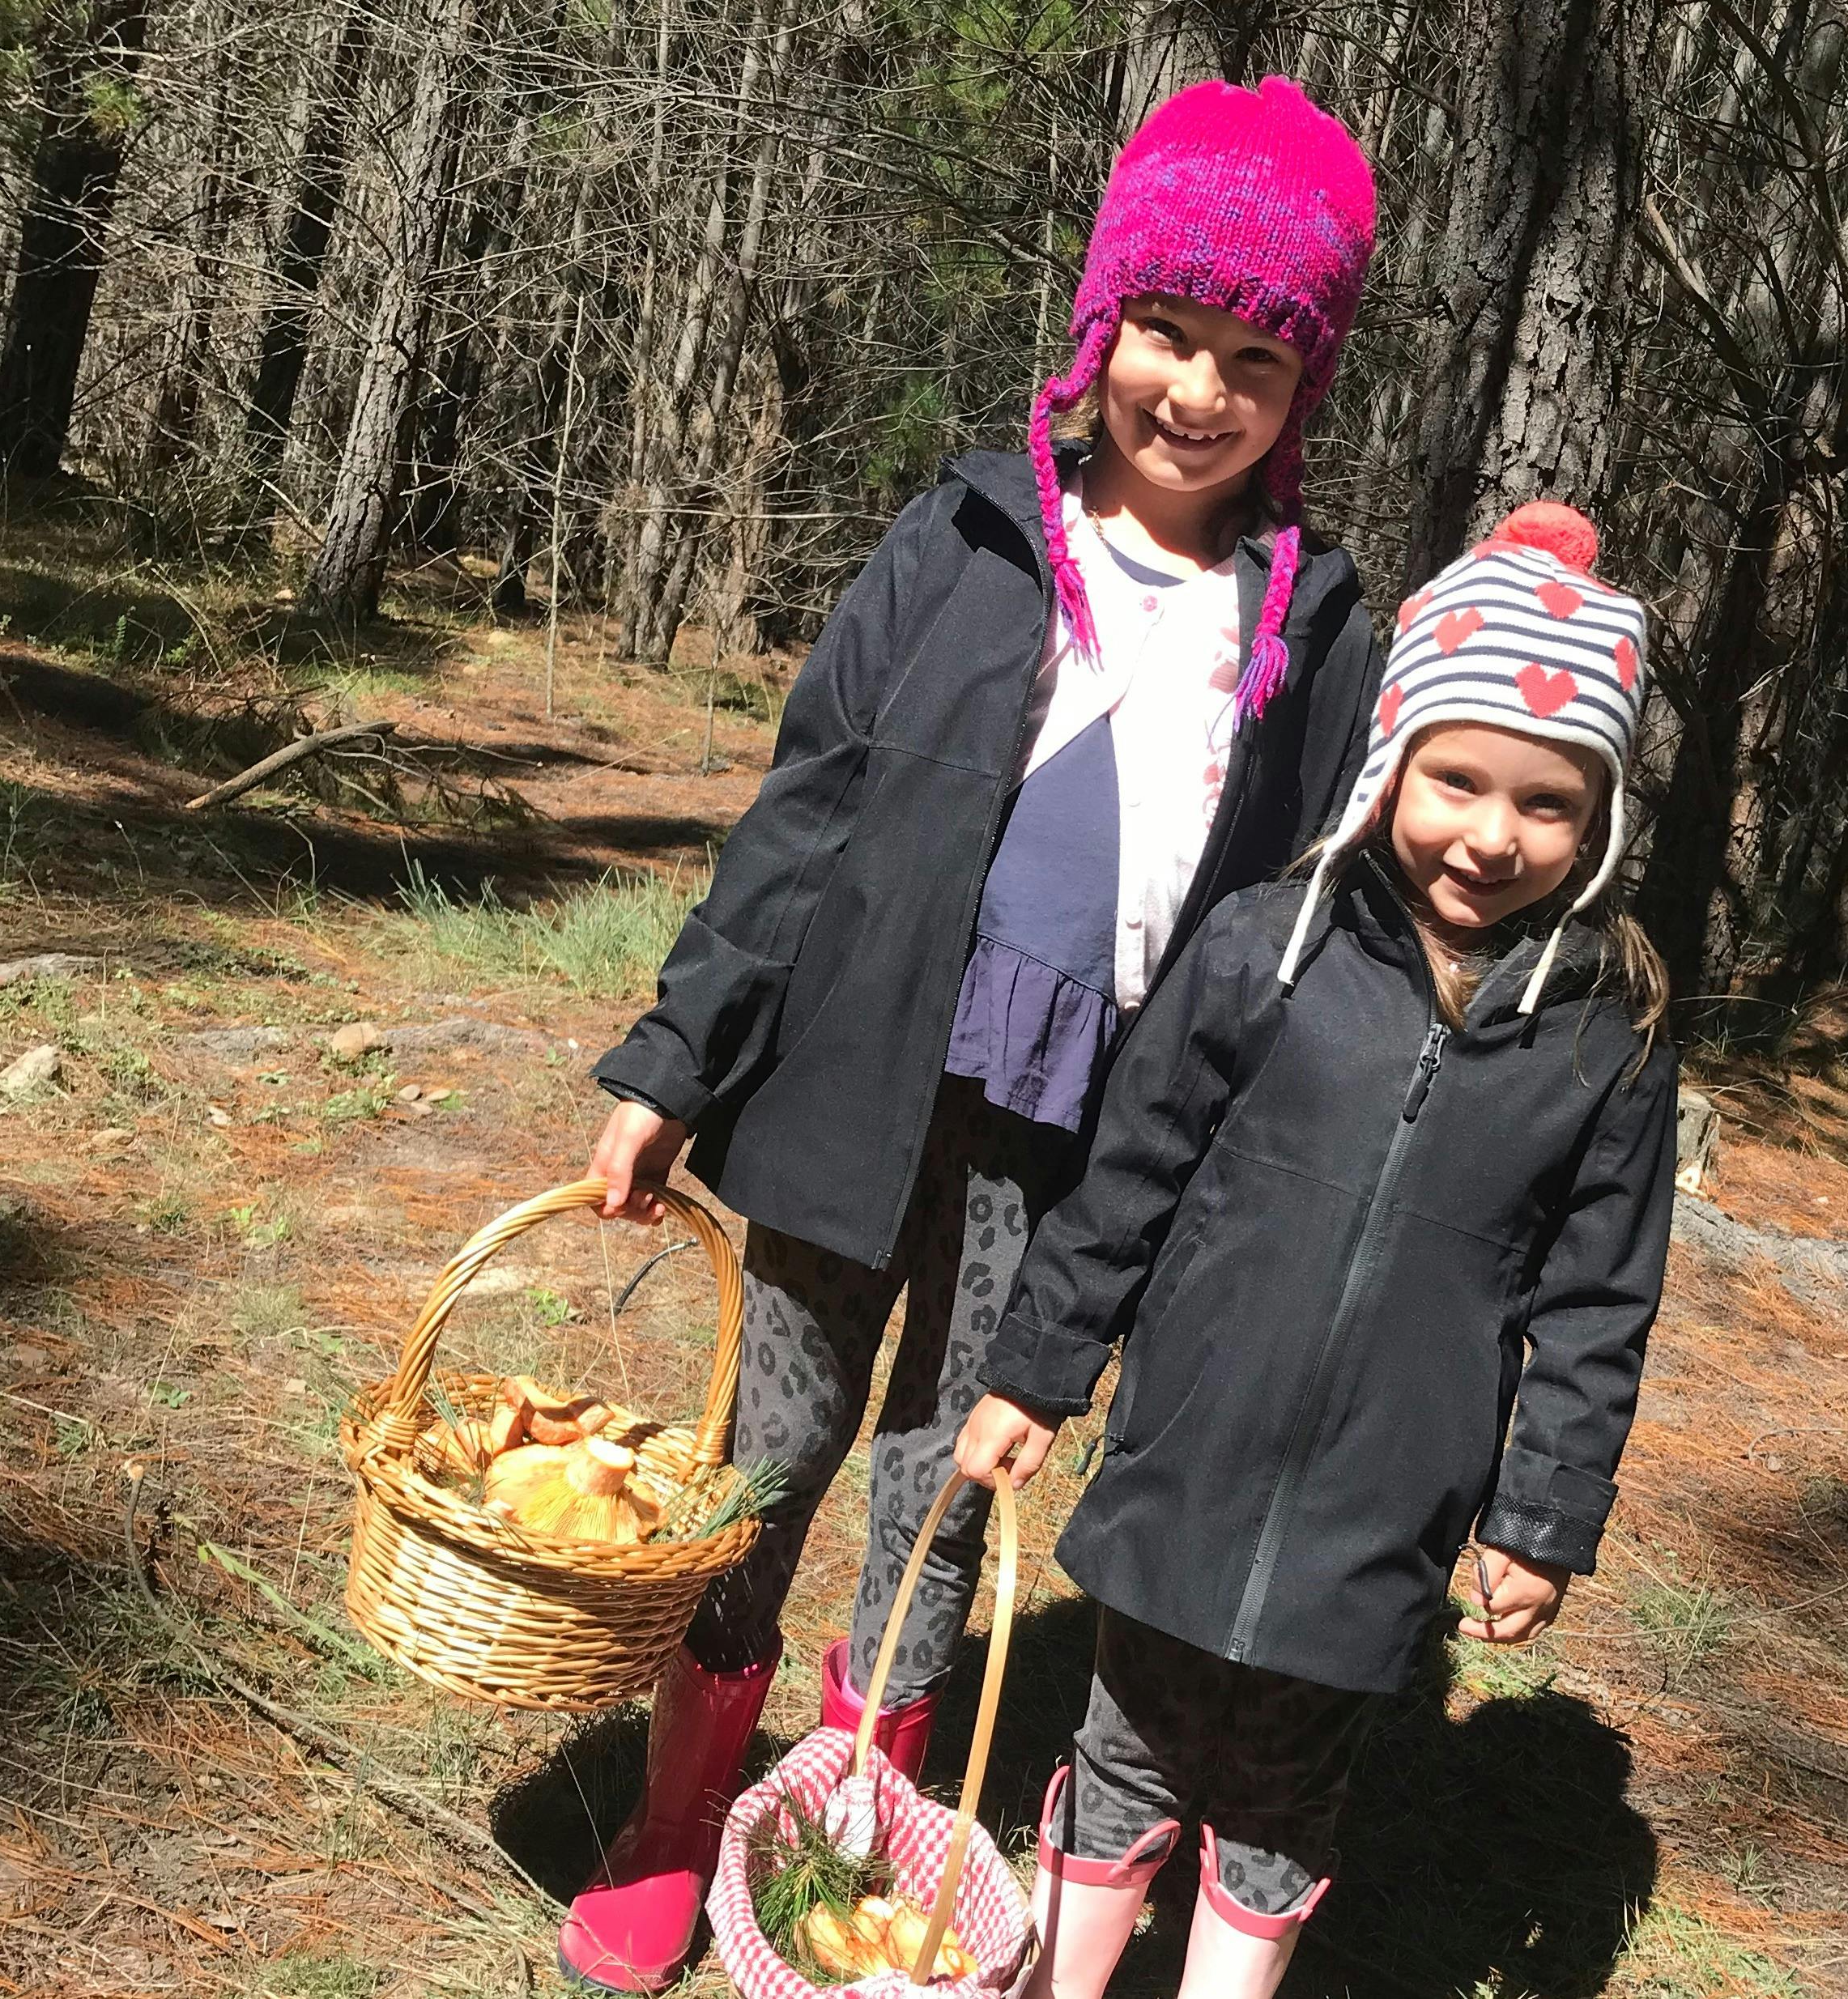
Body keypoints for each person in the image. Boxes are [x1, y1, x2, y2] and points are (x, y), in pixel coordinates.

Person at [558, 76, 1383, 1996]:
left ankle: (847, 1827)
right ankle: (686, 1809)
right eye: (1170, 332)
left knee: (946, 1480)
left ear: (1303, 386)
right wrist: (678, 1053)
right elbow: (807, 811)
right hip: (860, 1085)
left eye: (1257, 356)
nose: (1200, 387)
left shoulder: (1309, 626)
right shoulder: (971, 533)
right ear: (1104, 326)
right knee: (770, 1440)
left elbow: (1307, 914)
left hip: (1075, 1142)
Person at [956, 504, 1679, 1999]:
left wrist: (1540, 1520)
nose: (1491, 832)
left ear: (1598, 819)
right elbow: (1131, 1183)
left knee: (1283, 1795)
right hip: (1188, 1450)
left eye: (1545, 803)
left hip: (1380, 1507)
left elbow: (1599, 1306)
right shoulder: (1261, 946)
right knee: (1127, 1747)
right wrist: (1037, 1371)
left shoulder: (1607, 1042)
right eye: (1459, 779)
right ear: (1392, 761)